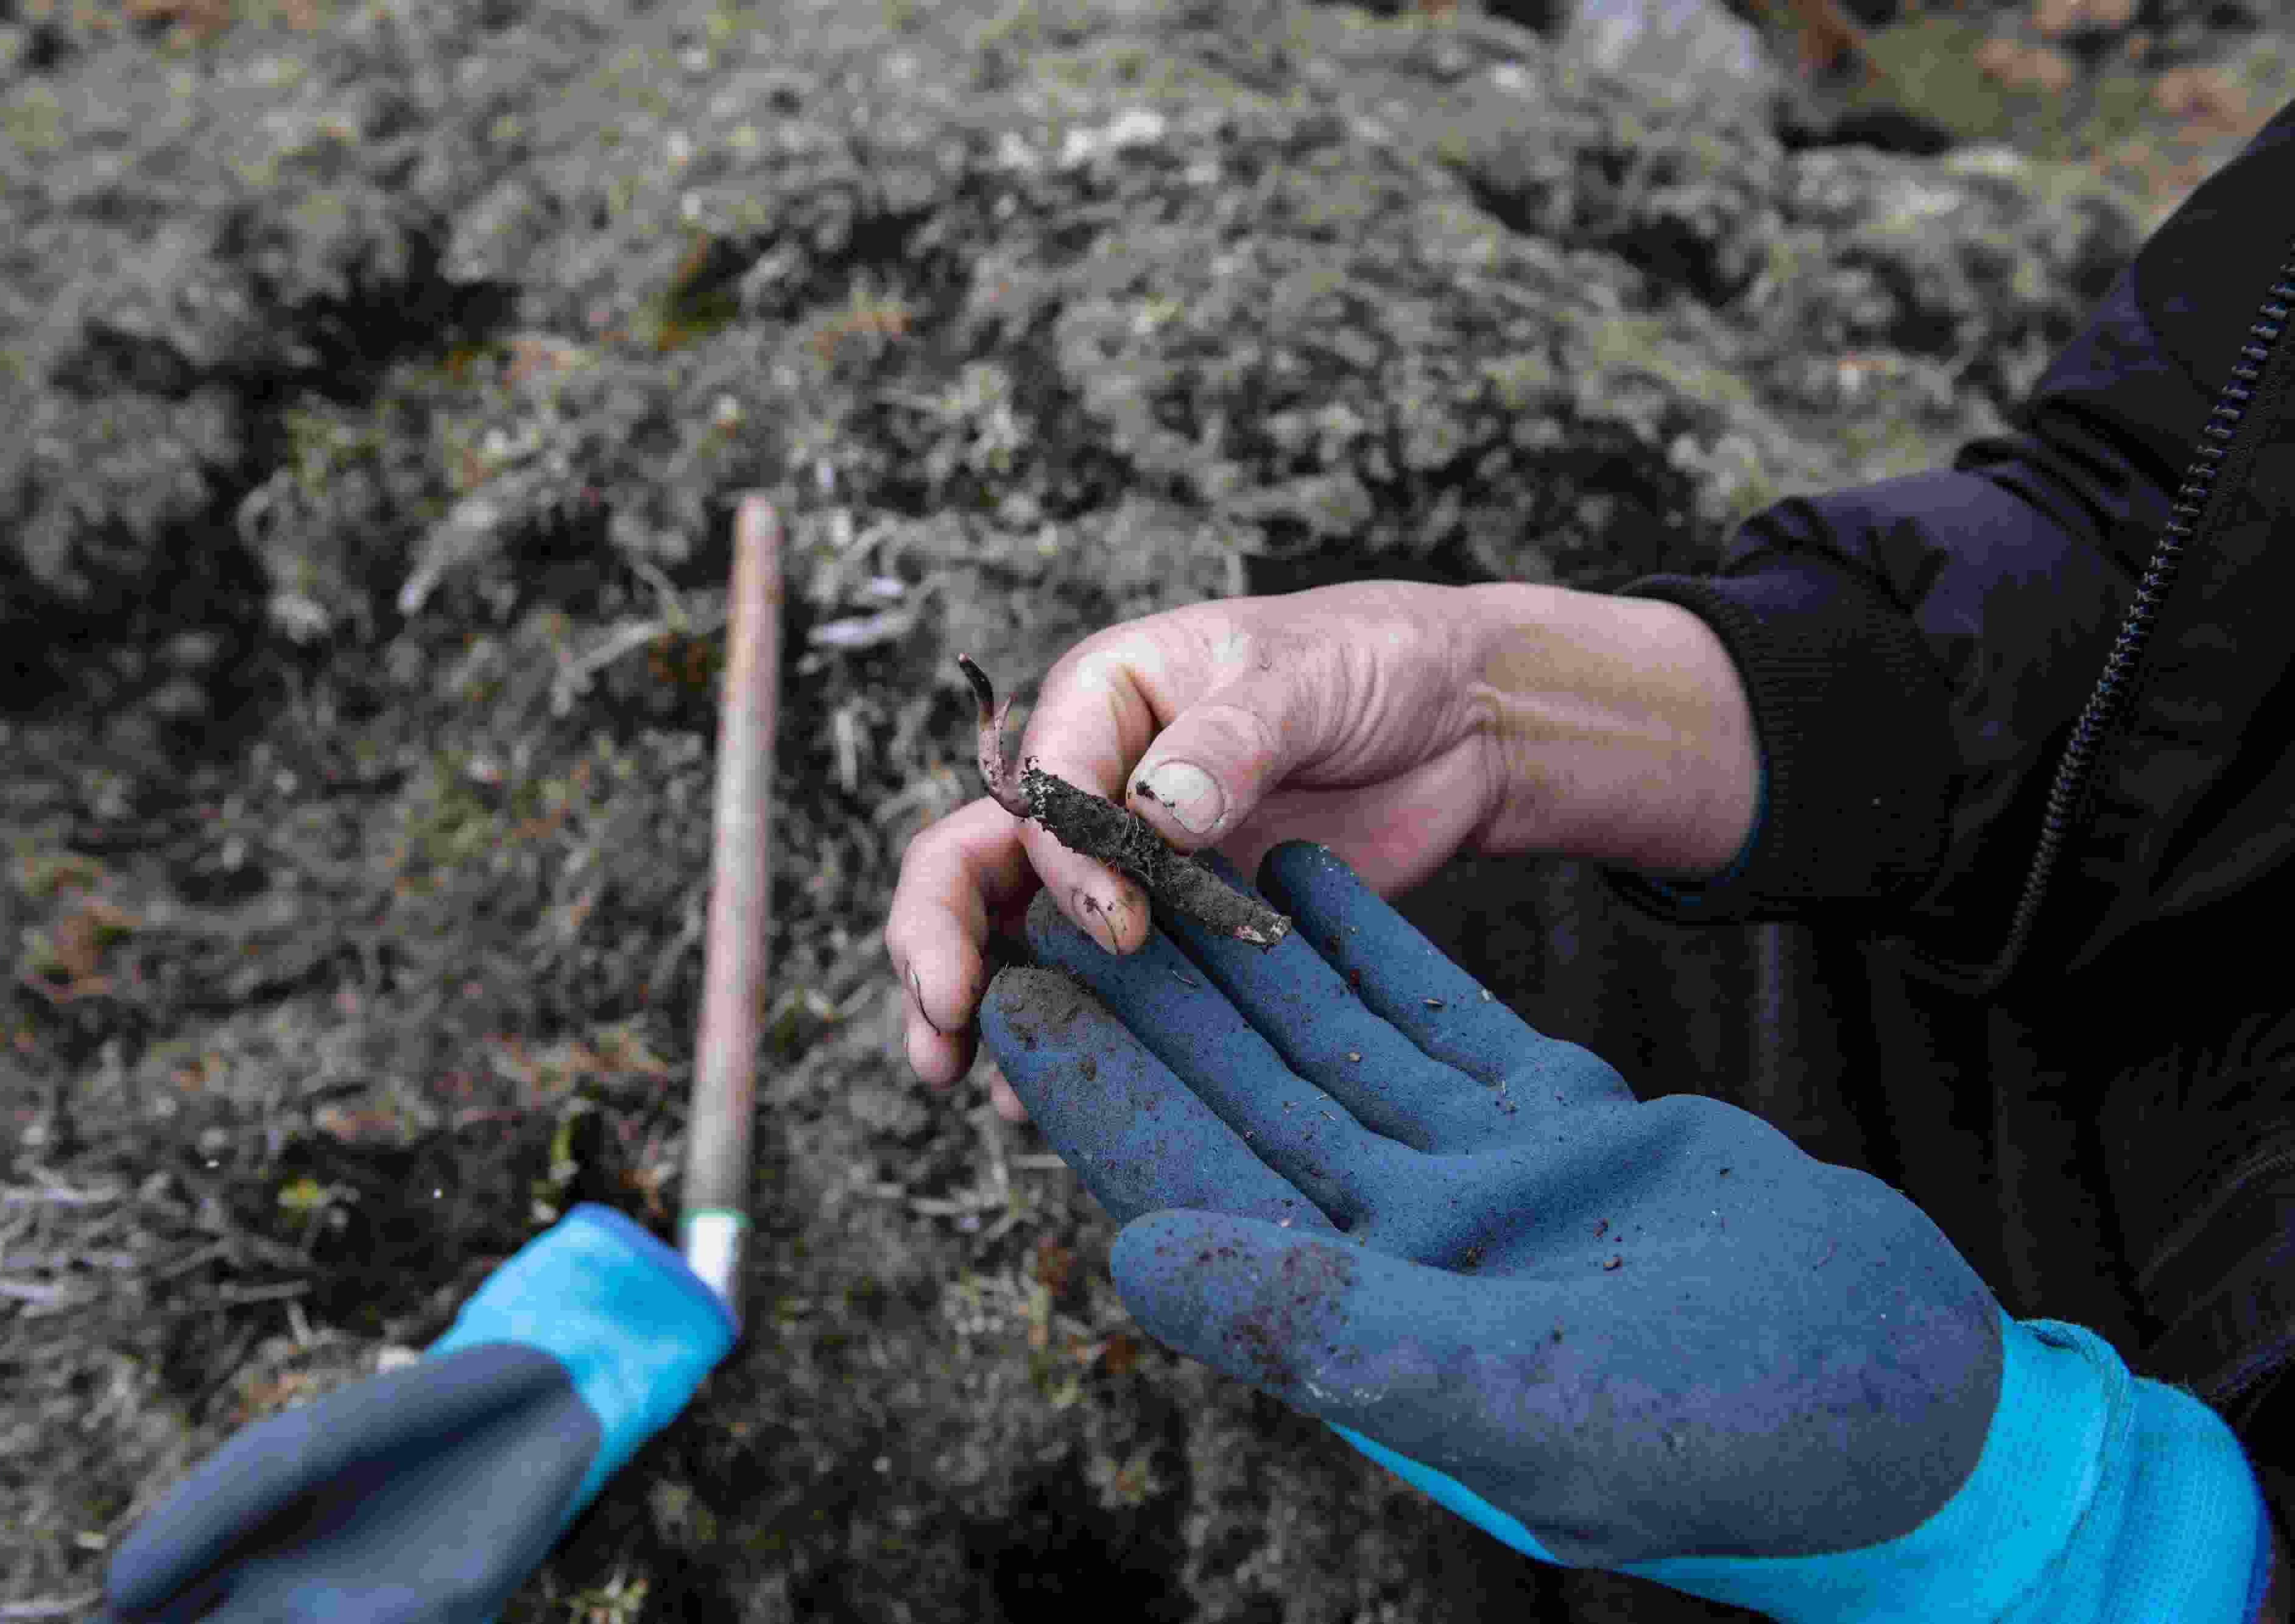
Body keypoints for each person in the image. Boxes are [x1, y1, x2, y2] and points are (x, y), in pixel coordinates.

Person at [886, 96, 2295, 1620]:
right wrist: (1501, 698)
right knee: (1453, 968)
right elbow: (2165, 539)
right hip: (2076, 1004)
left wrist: (2130, 1557)